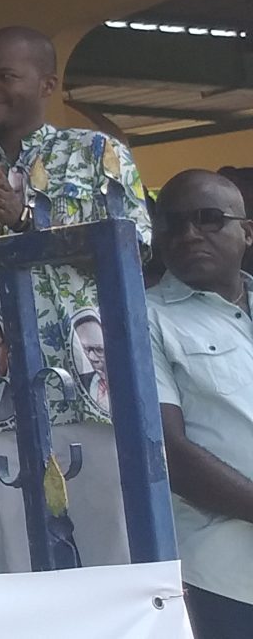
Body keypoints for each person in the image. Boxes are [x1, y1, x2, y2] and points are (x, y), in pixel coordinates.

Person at [0, 26, 146, 571]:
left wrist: (24, 222)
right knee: (15, 561)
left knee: (115, 554)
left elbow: (134, 252)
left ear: (48, 84)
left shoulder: (97, 154)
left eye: (5, 75)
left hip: (93, 392)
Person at [148, 170, 253, 638]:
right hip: (222, 578)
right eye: (173, 223)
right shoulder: (141, 316)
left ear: (246, 232)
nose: (189, 234)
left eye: (208, 218)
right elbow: (168, 451)